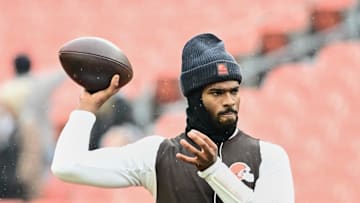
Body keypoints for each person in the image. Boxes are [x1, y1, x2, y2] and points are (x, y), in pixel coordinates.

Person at [51, 33, 294, 203]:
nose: (230, 101)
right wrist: (86, 110)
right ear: (195, 99)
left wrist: (214, 171)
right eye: (217, 93)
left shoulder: (269, 156)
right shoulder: (156, 155)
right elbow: (67, 166)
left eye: (234, 91)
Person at [0, 54, 65, 201]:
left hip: (17, 141)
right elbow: (60, 75)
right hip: (42, 137)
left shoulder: (7, 88)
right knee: (38, 185)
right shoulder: (39, 83)